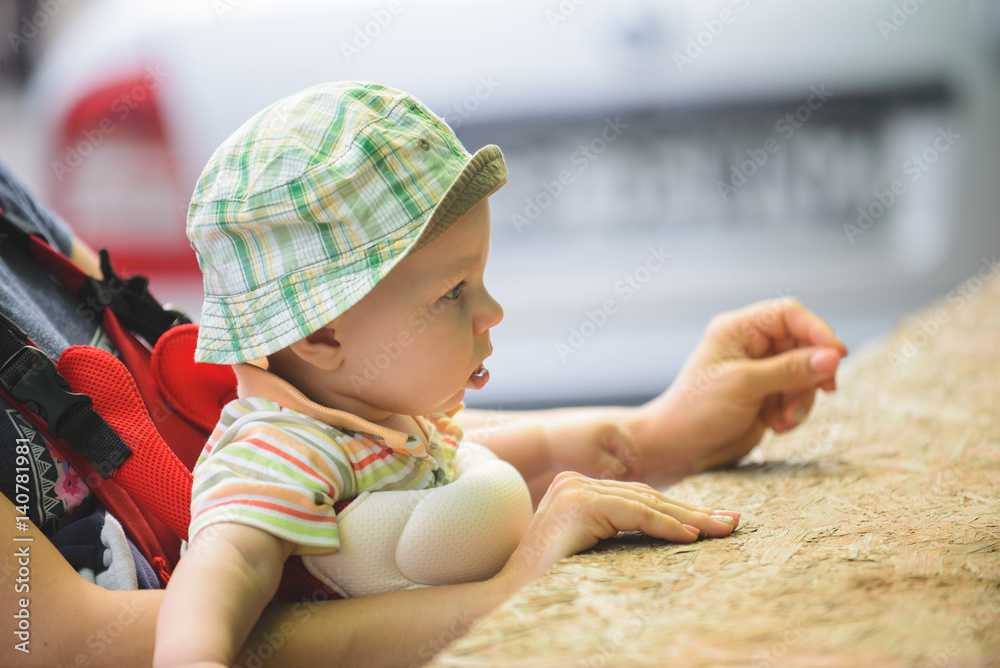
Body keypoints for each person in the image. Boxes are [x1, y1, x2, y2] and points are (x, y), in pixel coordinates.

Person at [0, 86, 847, 666]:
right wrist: (507, 599)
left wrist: (661, 432)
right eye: (453, 293)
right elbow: (92, 637)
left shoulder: (333, 411)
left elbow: (410, 442)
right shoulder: (271, 463)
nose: (494, 313)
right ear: (322, 331)